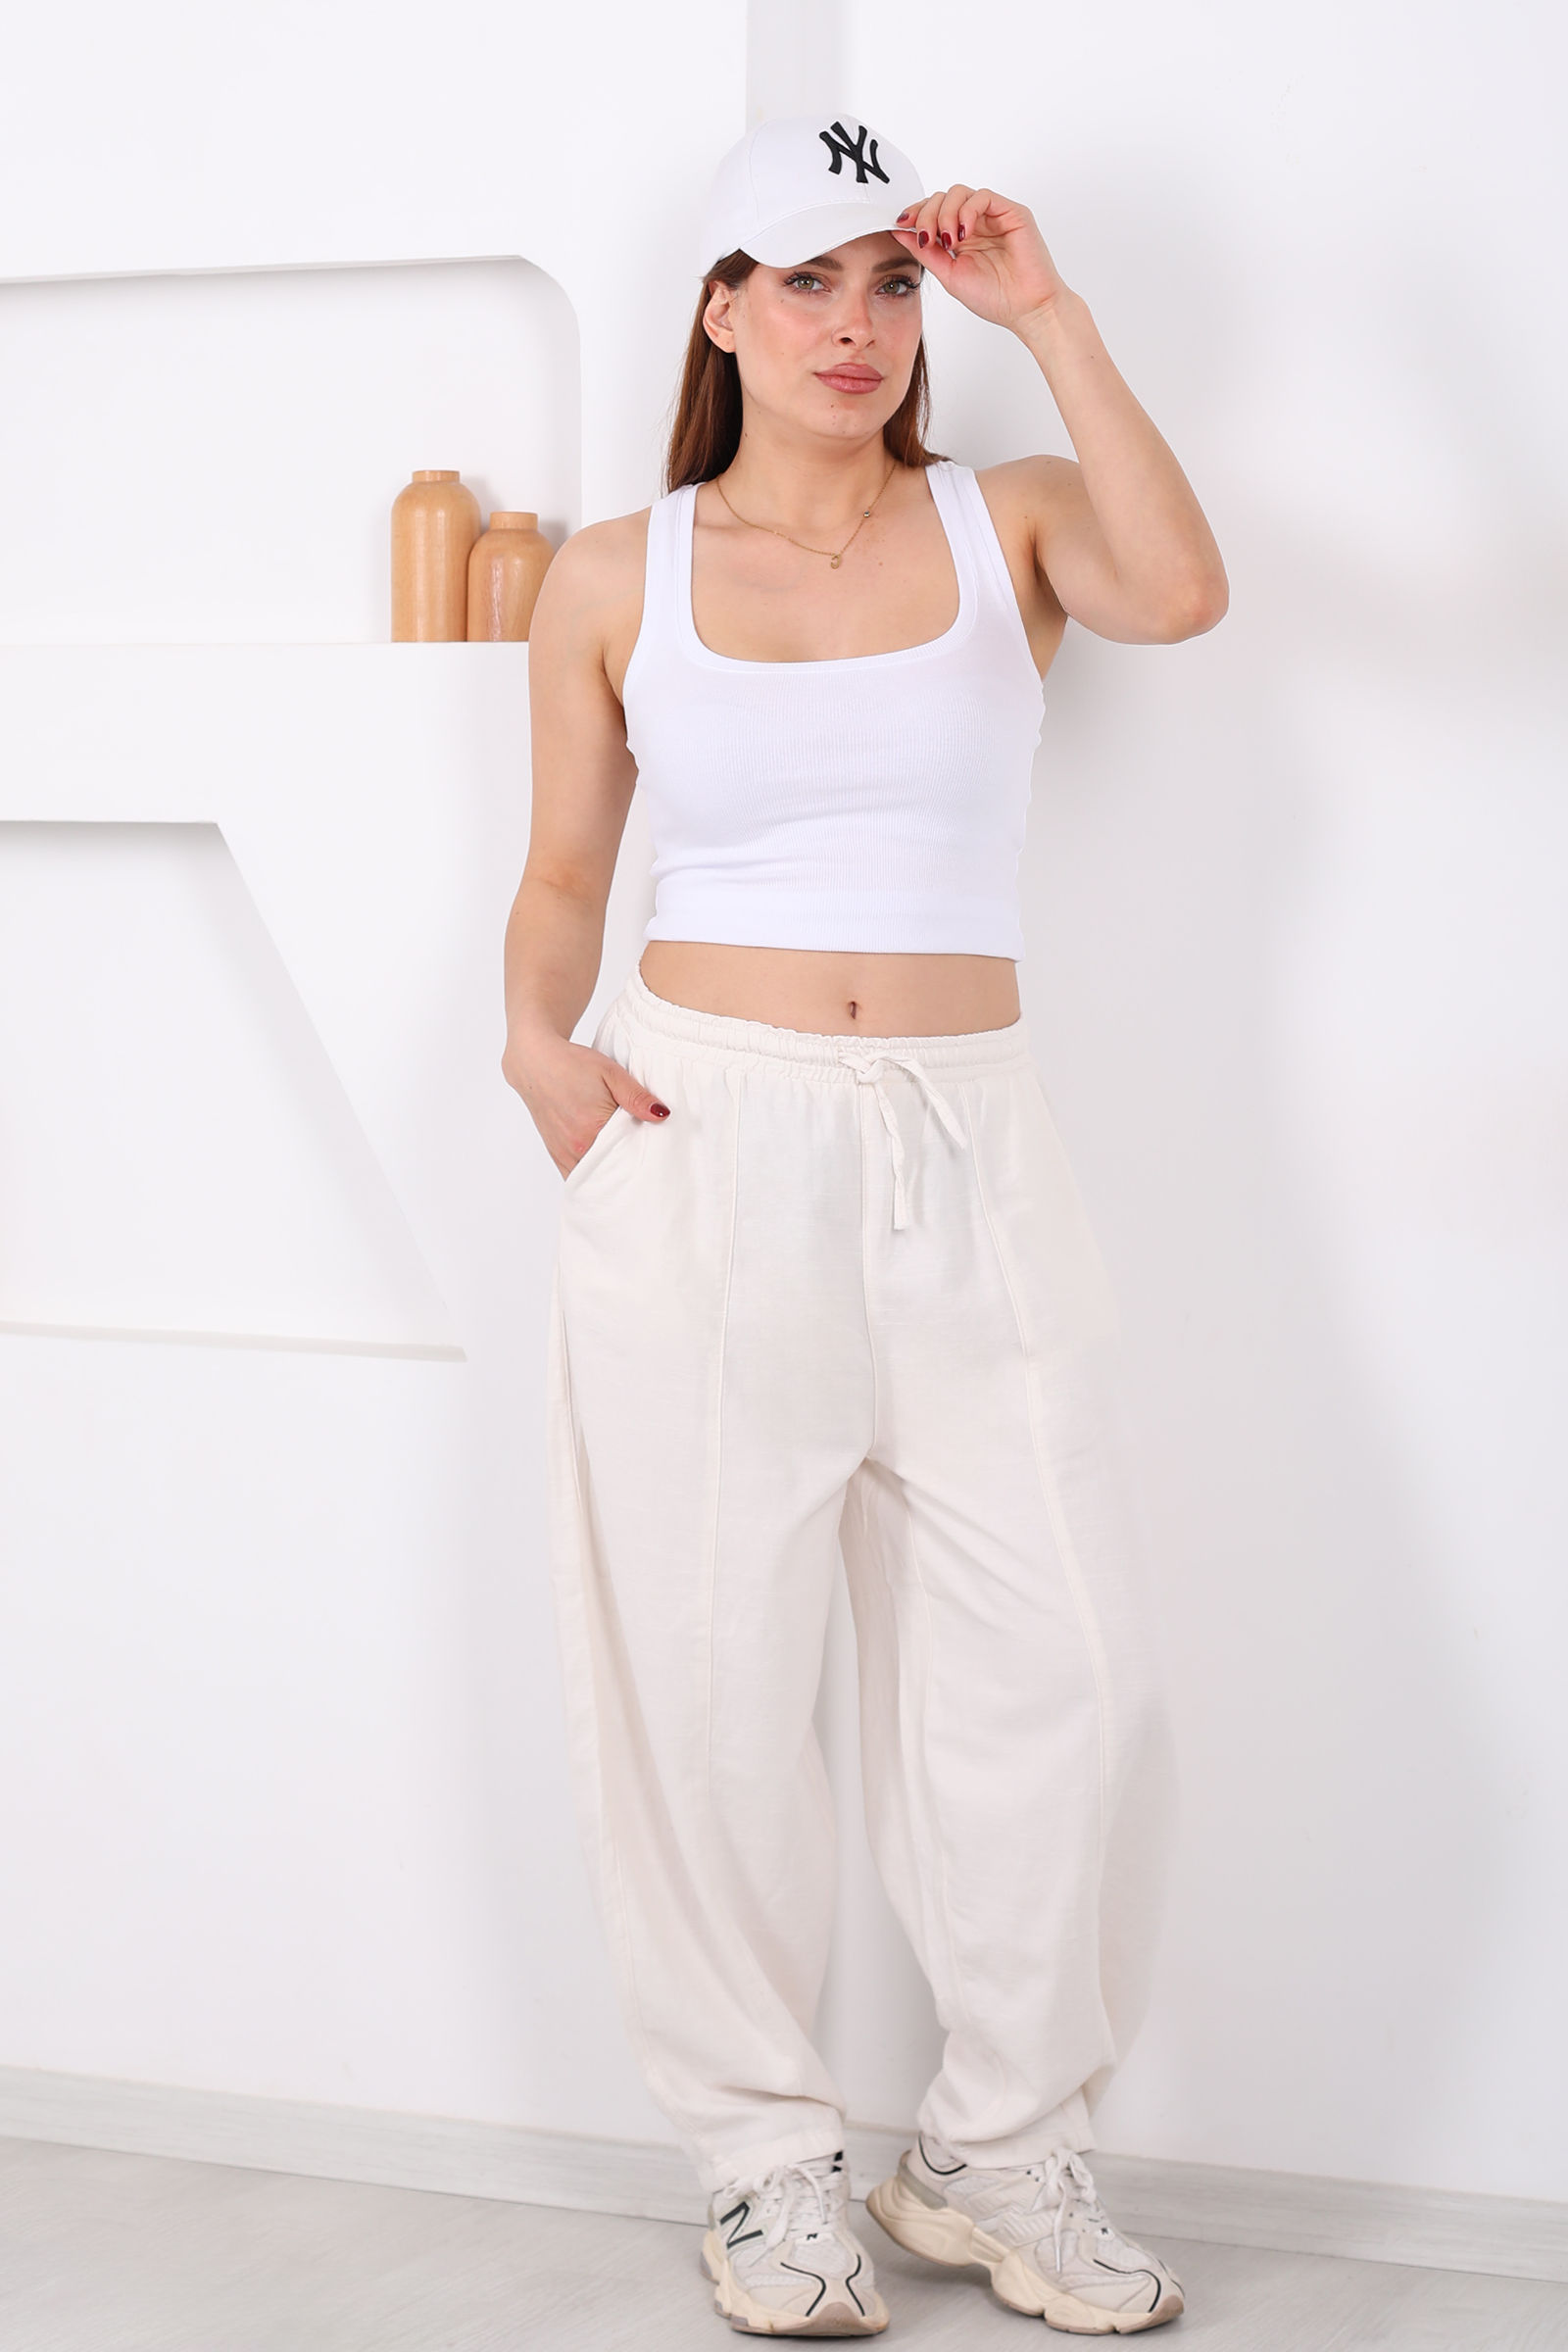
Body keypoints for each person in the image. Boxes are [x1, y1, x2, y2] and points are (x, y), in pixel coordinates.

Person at [501, 111, 1227, 2339]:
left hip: (969, 1143)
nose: (856, 324)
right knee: (711, 1686)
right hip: (698, 1131)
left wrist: (1048, 311)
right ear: (720, 309)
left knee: (1072, 1669)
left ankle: (998, 2153)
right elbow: (562, 870)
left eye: (891, 283)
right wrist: (536, 1050)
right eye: (805, 280)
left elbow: (1180, 591)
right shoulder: (616, 572)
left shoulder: (1010, 517)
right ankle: (762, 2162)